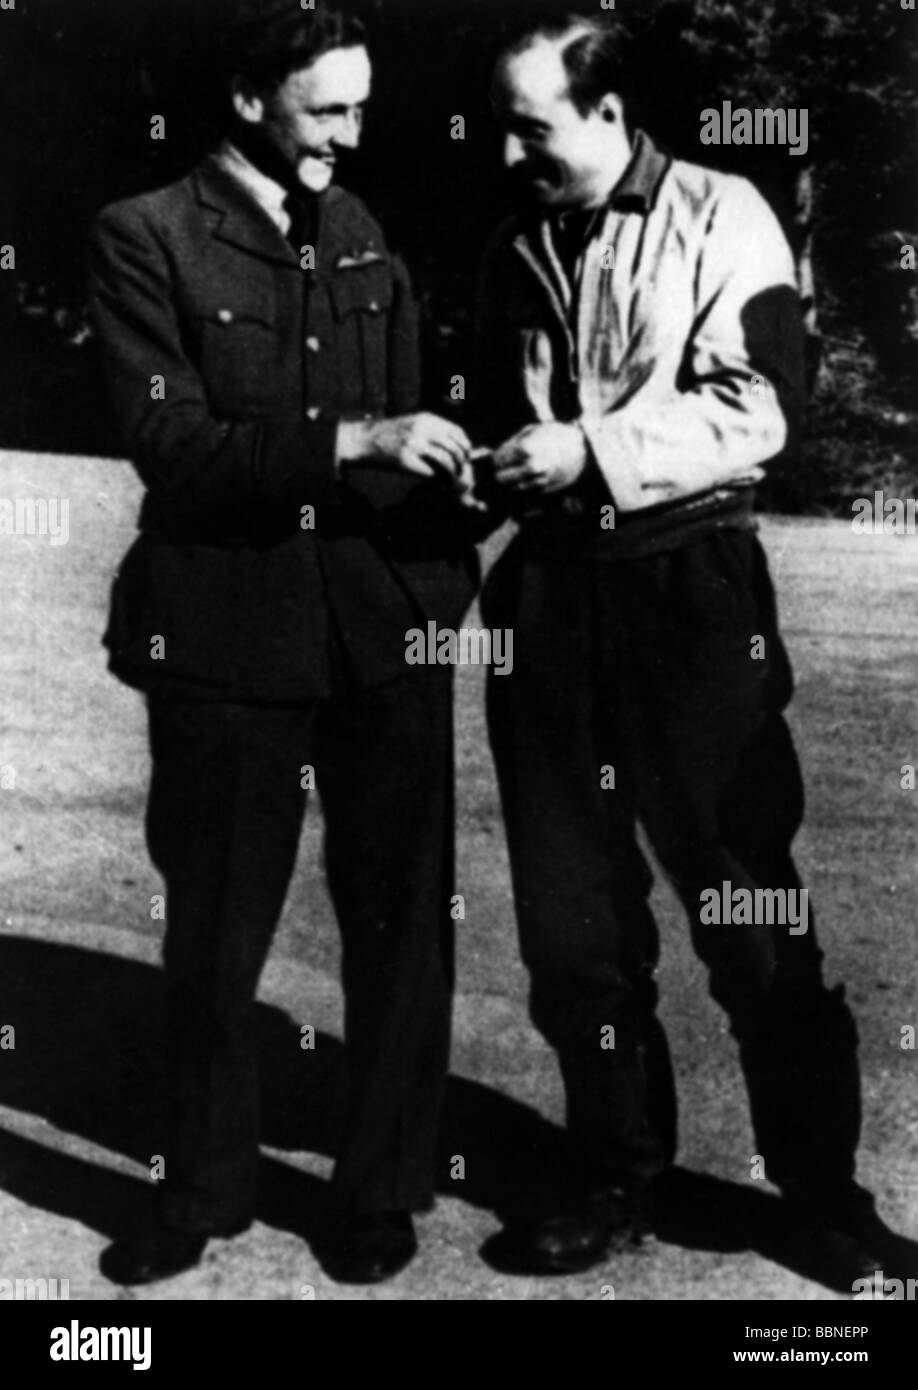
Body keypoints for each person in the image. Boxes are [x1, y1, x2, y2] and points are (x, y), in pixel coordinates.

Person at [470, 13, 885, 1278]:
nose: (504, 150)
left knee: (746, 904)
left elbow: (765, 406)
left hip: (688, 597)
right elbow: (506, 412)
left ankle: (820, 1193)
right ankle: (615, 1175)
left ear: (607, 115)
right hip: (551, 605)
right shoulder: (521, 240)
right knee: (574, 926)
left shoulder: (725, 214)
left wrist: (590, 449)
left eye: (529, 126)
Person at [88, 0, 476, 1287]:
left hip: (379, 630)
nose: (351, 138)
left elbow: (406, 404)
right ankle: (199, 1186)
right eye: (330, 110)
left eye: (362, 108)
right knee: (214, 929)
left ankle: (381, 1187)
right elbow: (174, 447)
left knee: (403, 926)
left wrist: (445, 539)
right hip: (224, 633)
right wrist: (346, 443)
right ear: (252, 99)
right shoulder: (145, 237)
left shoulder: (357, 228)